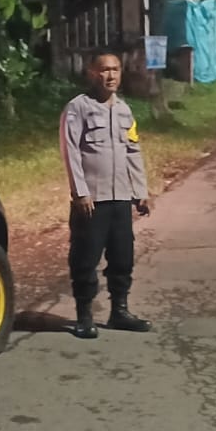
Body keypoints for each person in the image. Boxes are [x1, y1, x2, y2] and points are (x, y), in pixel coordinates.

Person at [60, 50, 152, 340]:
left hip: (120, 198)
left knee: (123, 257)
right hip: (92, 200)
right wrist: (80, 192)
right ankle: (84, 317)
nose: (110, 75)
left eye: (115, 70)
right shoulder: (78, 108)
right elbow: (71, 151)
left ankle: (119, 311)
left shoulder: (125, 111)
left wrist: (140, 190)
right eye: (104, 70)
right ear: (92, 73)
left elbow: (133, 151)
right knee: (85, 259)